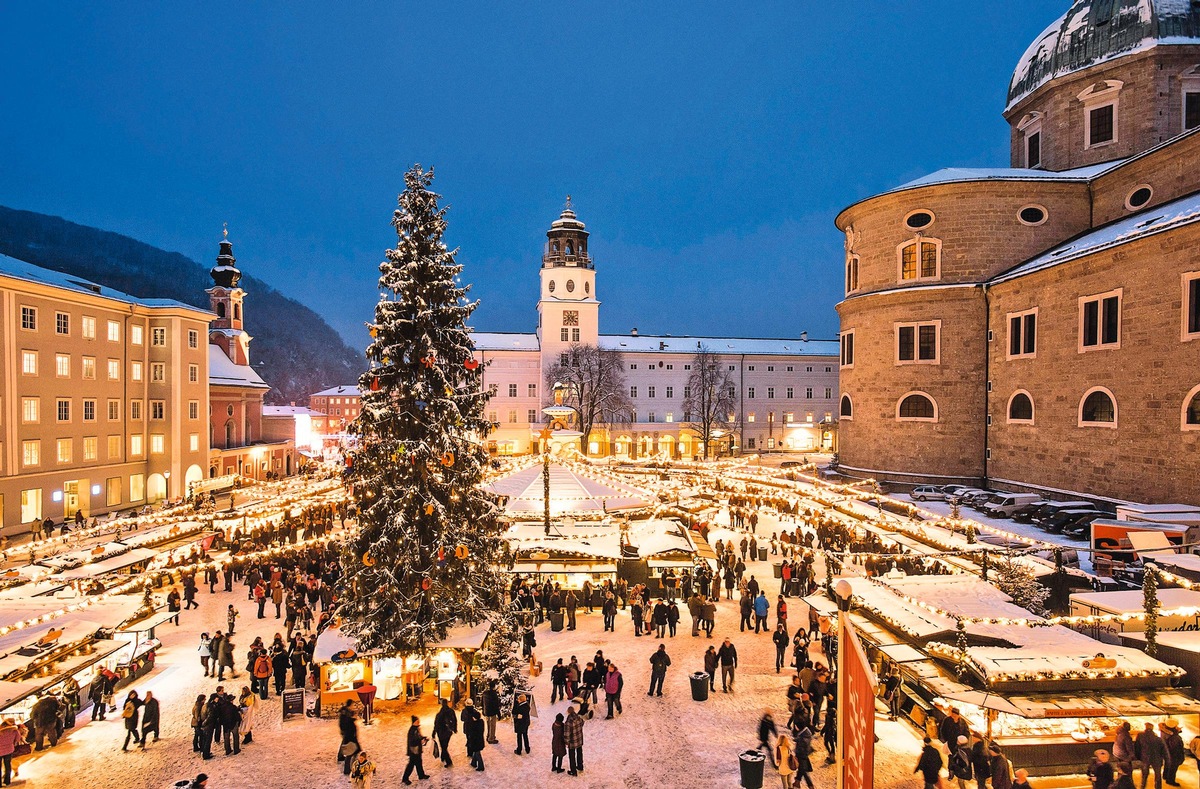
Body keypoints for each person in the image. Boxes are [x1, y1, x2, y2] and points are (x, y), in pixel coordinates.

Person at [402, 715, 430, 784]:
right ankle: (405, 778)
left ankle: (421, 775)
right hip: (413, 750)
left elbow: (419, 737)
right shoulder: (412, 731)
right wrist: (420, 741)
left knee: (419, 763)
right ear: (414, 722)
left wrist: (423, 738)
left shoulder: (416, 729)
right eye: (417, 721)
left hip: (417, 750)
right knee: (411, 764)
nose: (418, 722)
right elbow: (412, 741)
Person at [1138, 722, 1166, 789]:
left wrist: (1138, 757)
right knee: (1158, 775)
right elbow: (1164, 750)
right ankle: (1158, 787)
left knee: (1144, 775)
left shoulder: (1140, 736)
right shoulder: (1158, 739)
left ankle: (1142, 787)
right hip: (1156, 759)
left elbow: (1137, 747)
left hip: (1145, 758)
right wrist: (1166, 760)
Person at [0, 717, 26, 787]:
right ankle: (7, 781)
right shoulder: (15, 730)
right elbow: (17, 739)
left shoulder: (0, 730)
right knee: (7, 765)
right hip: (9, 750)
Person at [461, 698, 485, 772]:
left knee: (475, 749)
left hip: (473, 736)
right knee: (475, 748)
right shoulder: (479, 720)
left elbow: (462, 719)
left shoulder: (465, 712)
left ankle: (480, 765)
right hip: (478, 738)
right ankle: (473, 762)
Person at [433, 698, 457, 767]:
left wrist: (434, 732)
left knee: (443, 747)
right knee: (445, 746)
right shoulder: (451, 711)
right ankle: (443, 757)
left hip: (441, 732)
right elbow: (455, 720)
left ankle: (448, 761)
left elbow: (436, 724)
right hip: (448, 732)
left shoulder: (439, 714)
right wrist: (454, 728)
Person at [338, 700, 360, 774]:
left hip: (348, 734)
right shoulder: (345, 713)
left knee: (347, 746)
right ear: (349, 705)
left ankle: (341, 757)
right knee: (350, 751)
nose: (353, 707)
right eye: (353, 705)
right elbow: (346, 723)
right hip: (349, 734)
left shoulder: (346, 712)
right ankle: (347, 769)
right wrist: (353, 719)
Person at [1162, 720, 1184, 787]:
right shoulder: (1174, 737)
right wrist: (1180, 757)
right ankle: (1170, 780)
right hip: (1174, 756)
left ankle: (1166, 776)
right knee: (1173, 768)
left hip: (1169, 754)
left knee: (1169, 766)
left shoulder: (1167, 732)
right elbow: (1176, 748)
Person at [565, 703, 585, 776]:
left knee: (572, 756)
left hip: (572, 742)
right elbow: (582, 722)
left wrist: (566, 742)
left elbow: (567, 734)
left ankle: (573, 771)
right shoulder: (578, 717)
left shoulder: (568, 722)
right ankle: (580, 766)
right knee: (579, 754)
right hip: (579, 740)